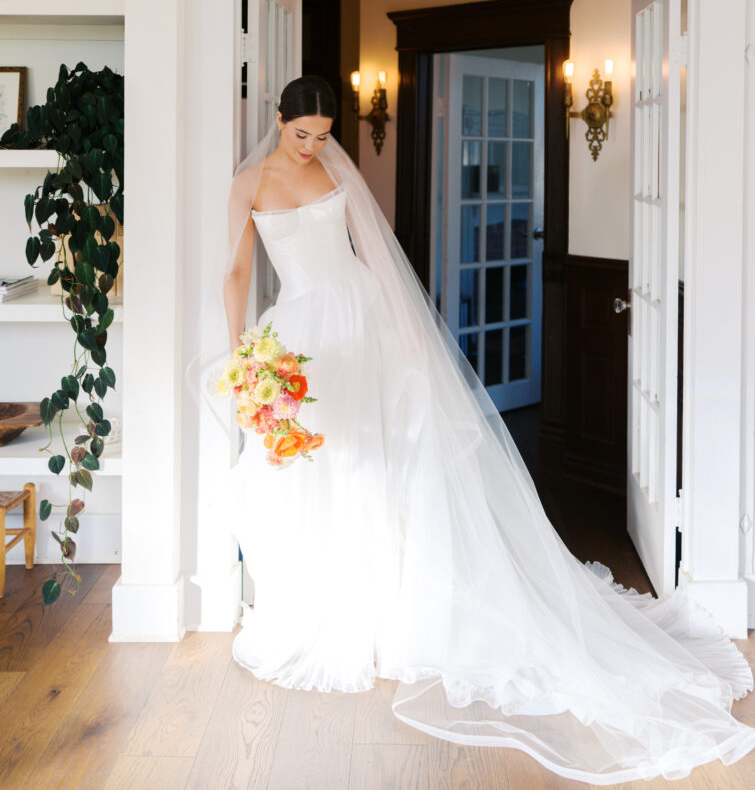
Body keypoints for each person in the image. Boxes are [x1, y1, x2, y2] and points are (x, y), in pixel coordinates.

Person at [215, 74, 755, 785]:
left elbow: (376, 254)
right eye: (301, 134)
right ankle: (330, 607)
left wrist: (409, 337)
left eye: (323, 135)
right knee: (316, 466)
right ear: (278, 120)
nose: (313, 147)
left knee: (389, 462)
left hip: (363, 321)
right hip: (299, 334)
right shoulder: (248, 182)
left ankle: (393, 611)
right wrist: (241, 356)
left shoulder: (337, 173)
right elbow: (234, 271)